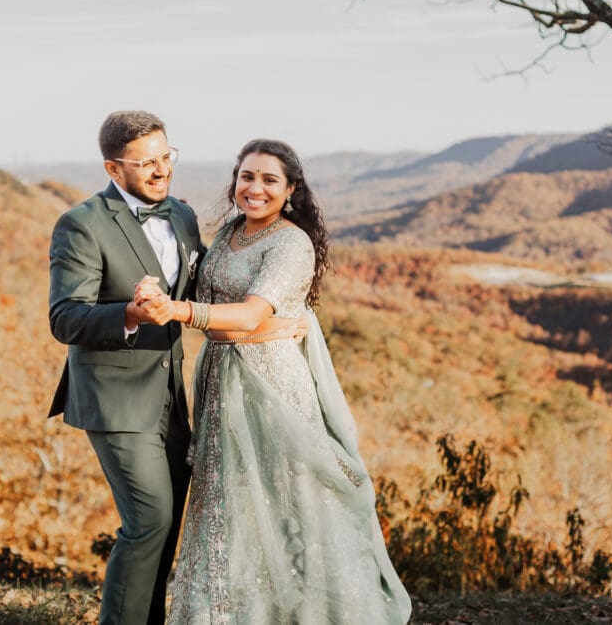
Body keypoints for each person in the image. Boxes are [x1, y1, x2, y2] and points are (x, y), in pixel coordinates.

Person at [132, 139, 412, 623]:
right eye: (246, 176)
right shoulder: (230, 233)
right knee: (226, 500)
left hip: (271, 387)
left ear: (290, 190)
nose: (254, 188)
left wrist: (179, 312)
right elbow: (218, 306)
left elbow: (249, 314)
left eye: (268, 180)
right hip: (221, 382)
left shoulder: (290, 243)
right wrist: (155, 291)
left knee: (280, 496)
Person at [47, 110, 205, 625]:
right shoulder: (81, 225)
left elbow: (195, 294)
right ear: (114, 170)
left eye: (166, 157)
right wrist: (130, 316)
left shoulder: (181, 214)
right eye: (145, 164)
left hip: (171, 396)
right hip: (114, 398)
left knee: (168, 523)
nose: (161, 171)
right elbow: (64, 318)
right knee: (148, 520)